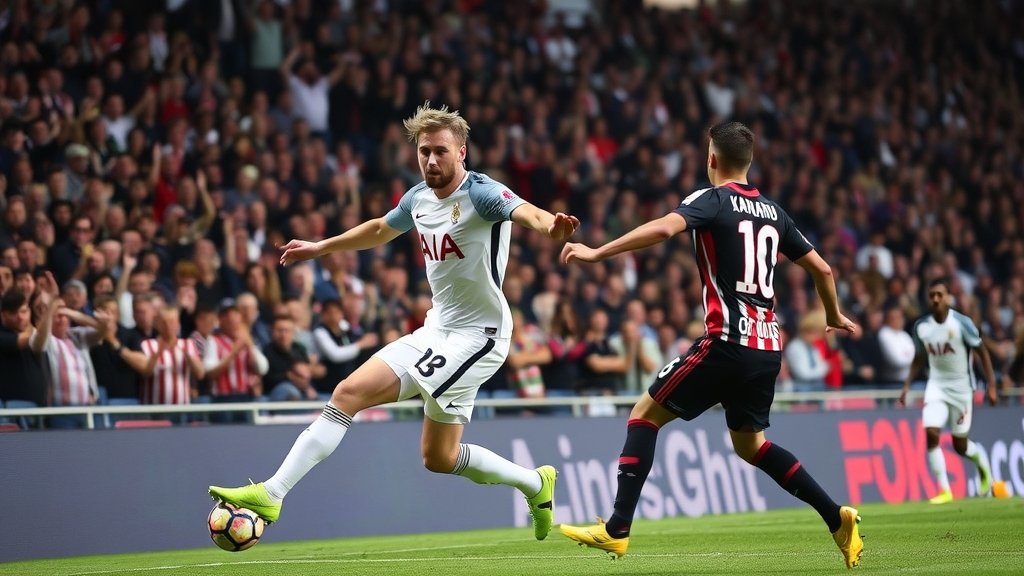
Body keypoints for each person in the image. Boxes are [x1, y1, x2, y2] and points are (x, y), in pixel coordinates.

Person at [210, 103, 580, 542]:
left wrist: (550, 228)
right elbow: (380, 229)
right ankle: (536, 485)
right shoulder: (418, 198)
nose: (430, 161)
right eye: (424, 152)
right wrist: (320, 247)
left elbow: (528, 213)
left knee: (358, 396)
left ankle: (272, 492)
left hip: (480, 336)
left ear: (462, 153)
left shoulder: (481, 193)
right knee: (432, 453)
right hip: (436, 329)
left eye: (441, 151)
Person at [558, 122, 863, 569]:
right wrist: (833, 315)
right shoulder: (775, 213)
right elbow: (824, 270)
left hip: (727, 341)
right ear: (750, 161)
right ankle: (836, 518)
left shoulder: (711, 198)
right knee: (751, 446)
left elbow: (663, 230)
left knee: (644, 414)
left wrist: (596, 253)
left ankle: (617, 529)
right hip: (767, 349)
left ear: (712, 158)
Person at [898, 278, 997, 504]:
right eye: (931, 295)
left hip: (962, 390)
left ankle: (981, 462)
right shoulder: (922, 327)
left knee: (959, 446)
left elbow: (982, 352)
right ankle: (945, 490)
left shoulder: (961, 323)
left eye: (939, 295)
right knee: (931, 433)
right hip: (936, 386)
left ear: (948, 297)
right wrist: (906, 385)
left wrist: (991, 386)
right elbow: (920, 357)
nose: (935, 299)